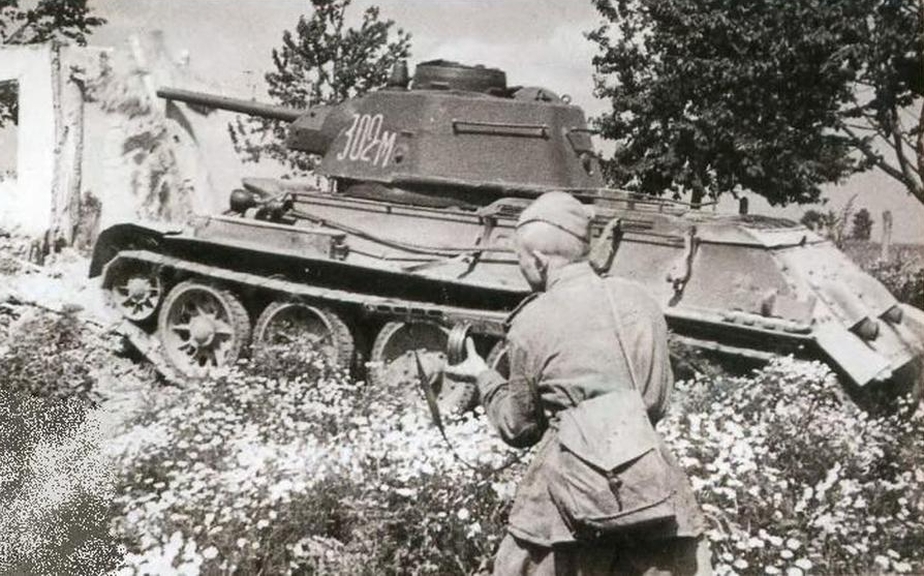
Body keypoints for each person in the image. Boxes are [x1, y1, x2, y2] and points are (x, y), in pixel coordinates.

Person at [445, 192, 711, 575]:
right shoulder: (639, 300)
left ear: (538, 260)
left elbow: (520, 428)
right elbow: (655, 401)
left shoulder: (531, 320)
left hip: (563, 514)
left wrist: (483, 376)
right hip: (650, 496)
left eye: (521, 260)